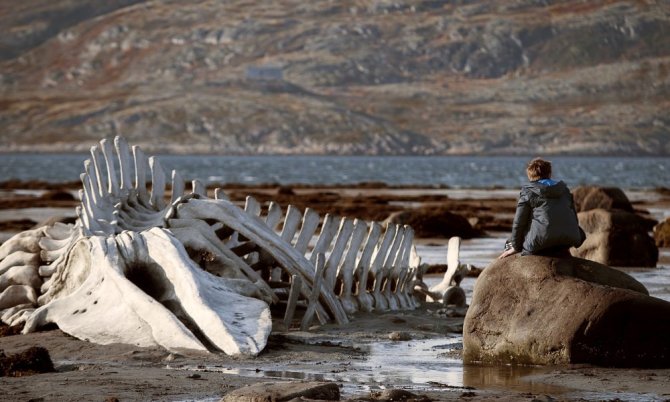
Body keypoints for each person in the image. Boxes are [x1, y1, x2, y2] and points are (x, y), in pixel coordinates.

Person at [499, 157, 585, 259]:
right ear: (549, 173)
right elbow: (574, 218)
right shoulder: (565, 190)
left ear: (530, 175)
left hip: (542, 242)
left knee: (509, 242)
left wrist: (515, 247)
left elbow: (519, 223)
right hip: (569, 240)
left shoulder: (529, 191)